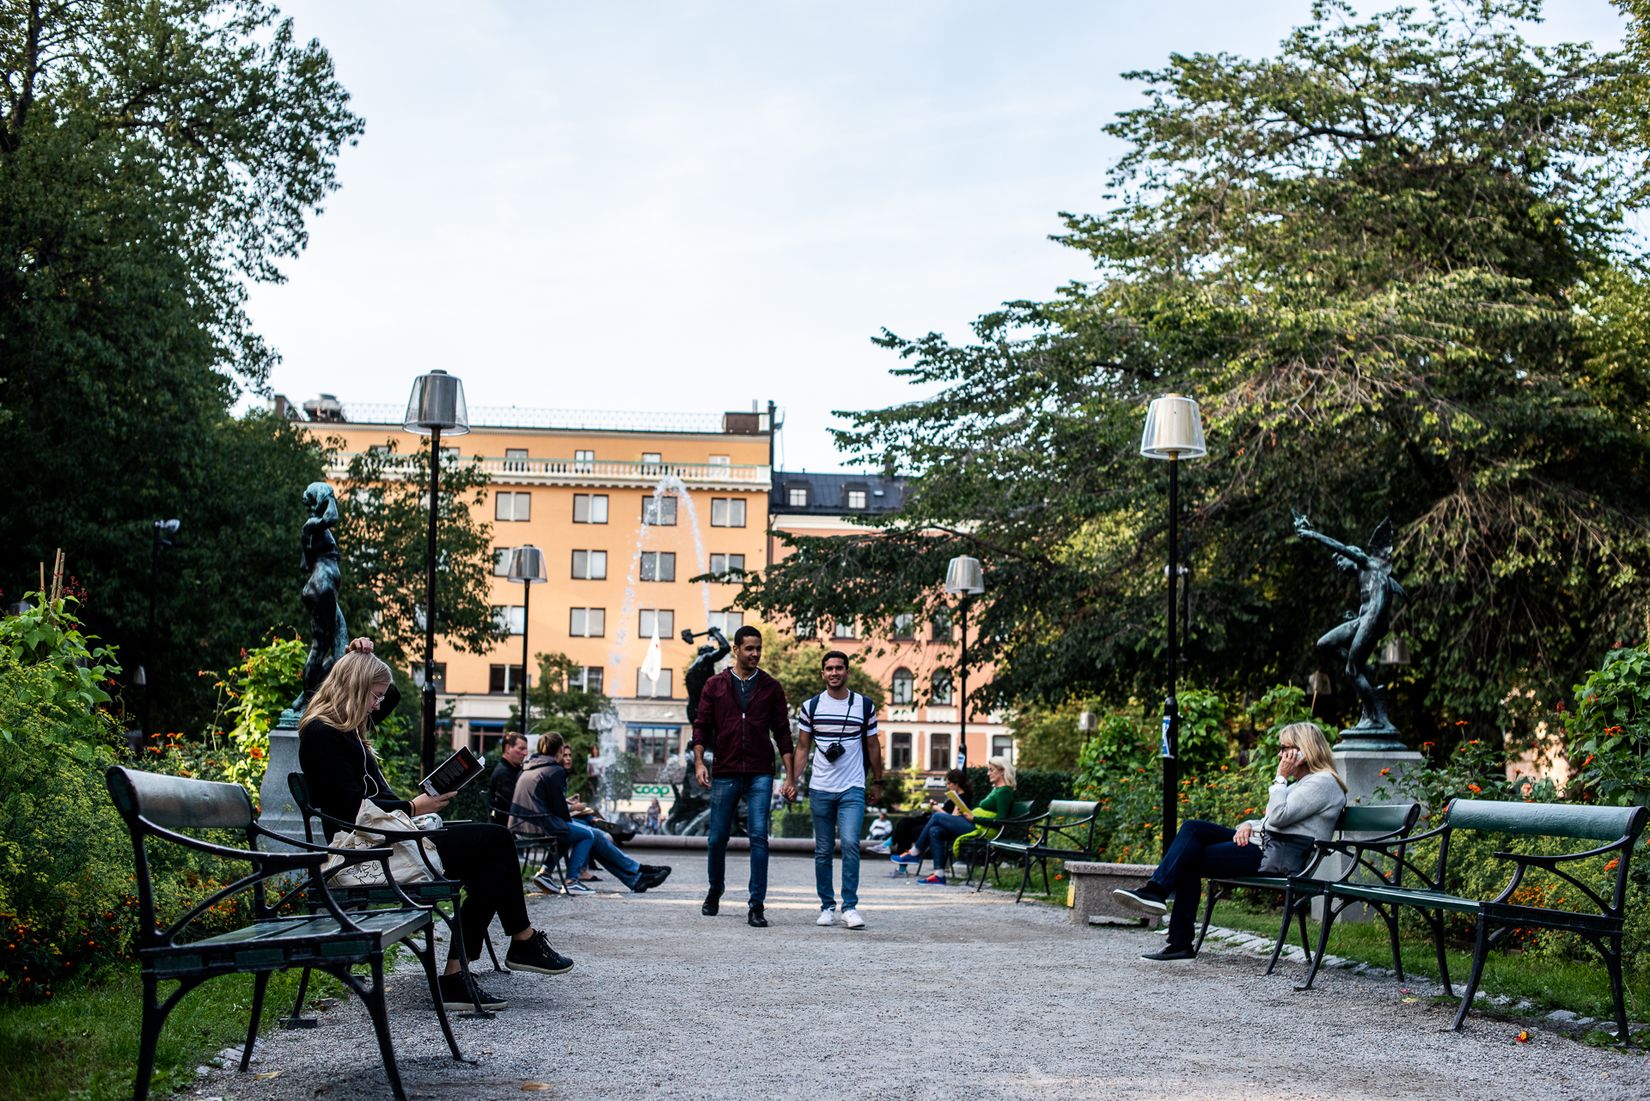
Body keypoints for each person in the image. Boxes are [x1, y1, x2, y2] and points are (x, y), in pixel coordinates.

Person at [298, 639, 572, 1013]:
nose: (379, 705)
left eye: (378, 697)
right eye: (373, 696)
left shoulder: (347, 728)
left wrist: (359, 657)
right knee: (494, 842)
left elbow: (388, 696)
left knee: (491, 855)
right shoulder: (322, 733)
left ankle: (463, 972)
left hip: (393, 838)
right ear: (355, 689)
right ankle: (506, 948)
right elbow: (350, 811)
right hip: (368, 850)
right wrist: (414, 805)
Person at [1112, 721, 1349, 960]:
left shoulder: (1323, 783)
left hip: (1279, 856)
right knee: (1194, 829)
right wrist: (1246, 825)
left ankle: (1174, 931)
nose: (1280, 755)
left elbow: (1278, 817)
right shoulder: (1306, 783)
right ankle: (1156, 894)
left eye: (1285, 748)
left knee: (1190, 857)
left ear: (1303, 750)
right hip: (1268, 844)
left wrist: (1280, 778)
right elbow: (1274, 819)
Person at [691, 624, 797, 927]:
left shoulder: (771, 687)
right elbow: (701, 726)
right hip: (725, 770)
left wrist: (790, 778)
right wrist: (700, 762)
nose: (755, 654)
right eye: (749, 648)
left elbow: (782, 734)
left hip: (761, 771)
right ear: (735, 649)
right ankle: (716, 888)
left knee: (759, 838)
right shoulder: (715, 685)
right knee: (716, 839)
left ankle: (756, 904)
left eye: (758, 648)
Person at [510, 733, 670, 895]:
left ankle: (635, 879)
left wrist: (568, 811)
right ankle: (572, 880)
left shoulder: (529, 767)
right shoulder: (554, 770)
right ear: (559, 749)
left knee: (590, 833)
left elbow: (544, 801)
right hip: (540, 826)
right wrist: (574, 811)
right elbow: (559, 810)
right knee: (587, 834)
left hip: (522, 826)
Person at [1293, 512, 1407, 733]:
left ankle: (1375, 718)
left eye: (1339, 560)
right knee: (1324, 644)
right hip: (1364, 619)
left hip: (1371, 621)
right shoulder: (1367, 575)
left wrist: (1312, 534)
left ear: (1352, 556)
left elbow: (1341, 546)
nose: (1338, 564)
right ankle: (1367, 669)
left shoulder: (1368, 563)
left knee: (1351, 671)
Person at [796, 650, 883, 929]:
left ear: (847, 672)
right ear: (822, 674)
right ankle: (826, 906)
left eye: (839, 668)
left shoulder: (863, 705)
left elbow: (872, 745)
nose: (834, 673)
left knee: (850, 844)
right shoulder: (810, 707)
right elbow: (802, 747)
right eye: (829, 668)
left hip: (852, 787)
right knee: (823, 850)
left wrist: (878, 781)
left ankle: (850, 907)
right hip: (820, 787)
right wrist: (791, 781)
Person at [891, 760, 1015, 884]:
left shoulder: (1004, 792)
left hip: (983, 830)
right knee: (935, 831)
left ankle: (915, 852)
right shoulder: (997, 790)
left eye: (991, 770)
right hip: (977, 825)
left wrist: (974, 818)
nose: (988, 773)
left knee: (938, 817)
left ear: (1002, 771)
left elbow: (1001, 821)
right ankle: (939, 875)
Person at [487, 732, 528, 825]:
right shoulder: (503, 773)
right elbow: (514, 805)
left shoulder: (512, 769)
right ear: (508, 748)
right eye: (521, 749)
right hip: (511, 828)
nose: (526, 753)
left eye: (526, 749)